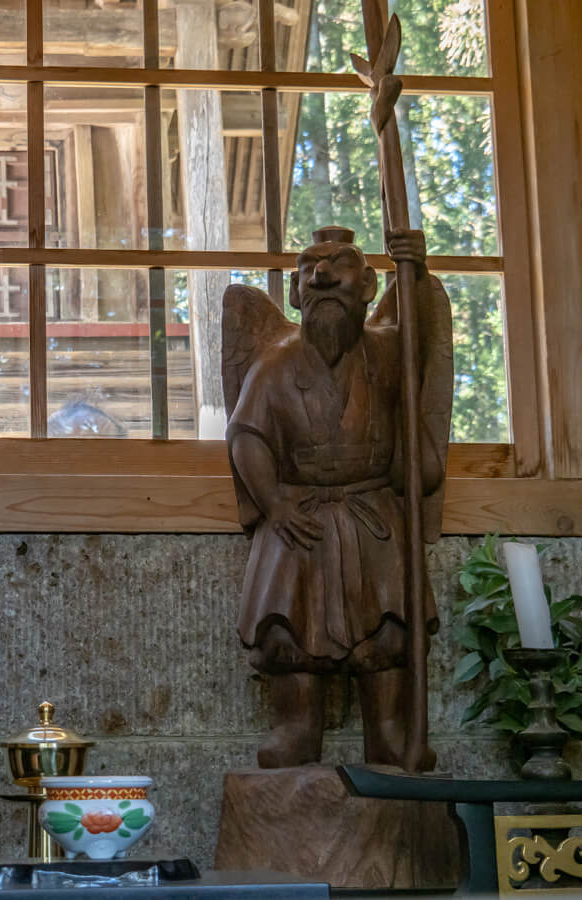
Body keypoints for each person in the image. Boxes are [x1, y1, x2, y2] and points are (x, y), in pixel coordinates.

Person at [225, 225, 449, 770]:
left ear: (369, 285)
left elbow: (421, 331)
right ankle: (296, 726)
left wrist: (413, 273)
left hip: (375, 514)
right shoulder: (274, 363)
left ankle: (390, 732)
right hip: (298, 516)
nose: (322, 276)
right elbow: (246, 437)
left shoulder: (393, 352)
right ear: (296, 293)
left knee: (390, 630)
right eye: (309, 269)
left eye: (339, 266)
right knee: (289, 629)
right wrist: (273, 502)